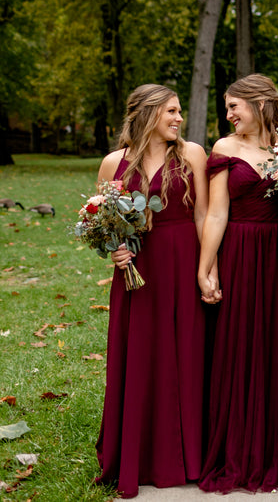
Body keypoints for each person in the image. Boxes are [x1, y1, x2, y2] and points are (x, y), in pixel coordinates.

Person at [94, 84, 209, 498]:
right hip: (138, 273)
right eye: (171, 112)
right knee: (143, 355)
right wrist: (115, 252)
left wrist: (205, 271)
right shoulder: (114, 163)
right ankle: (138, 454)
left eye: (179, 111)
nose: (179, 118)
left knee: (188, 356)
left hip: (183, 263)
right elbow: (101, 220)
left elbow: (203, 215)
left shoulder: (193, 154)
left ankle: (190, 455)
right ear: (146, 114)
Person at [198, 74, 278, 493]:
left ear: (258, 104)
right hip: (240, 251)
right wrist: (206, 267)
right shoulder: (225, 148)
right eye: (226, 108)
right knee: (240, 346)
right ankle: (238, 450)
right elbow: (217, 213)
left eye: (234, 106)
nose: (229, 115)